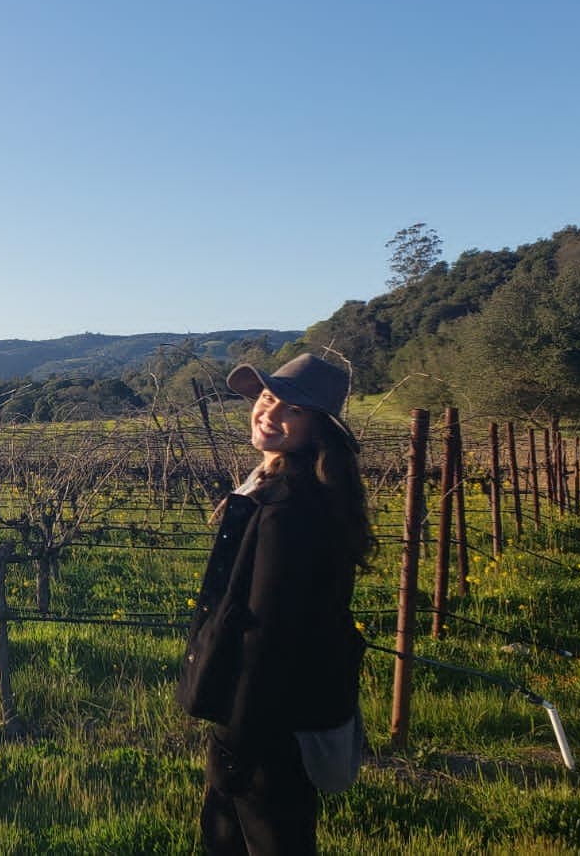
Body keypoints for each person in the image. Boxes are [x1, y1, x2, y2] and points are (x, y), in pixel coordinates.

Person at [183, 353, 373, 855]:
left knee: (260, 838)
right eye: (267, 398)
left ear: (318, 427)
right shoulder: (294, 487)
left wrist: (238, 739)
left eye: (292, 409)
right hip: (287, 710)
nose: (269, 412)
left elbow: (265, 629)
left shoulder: (288, 508)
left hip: (265, 720)